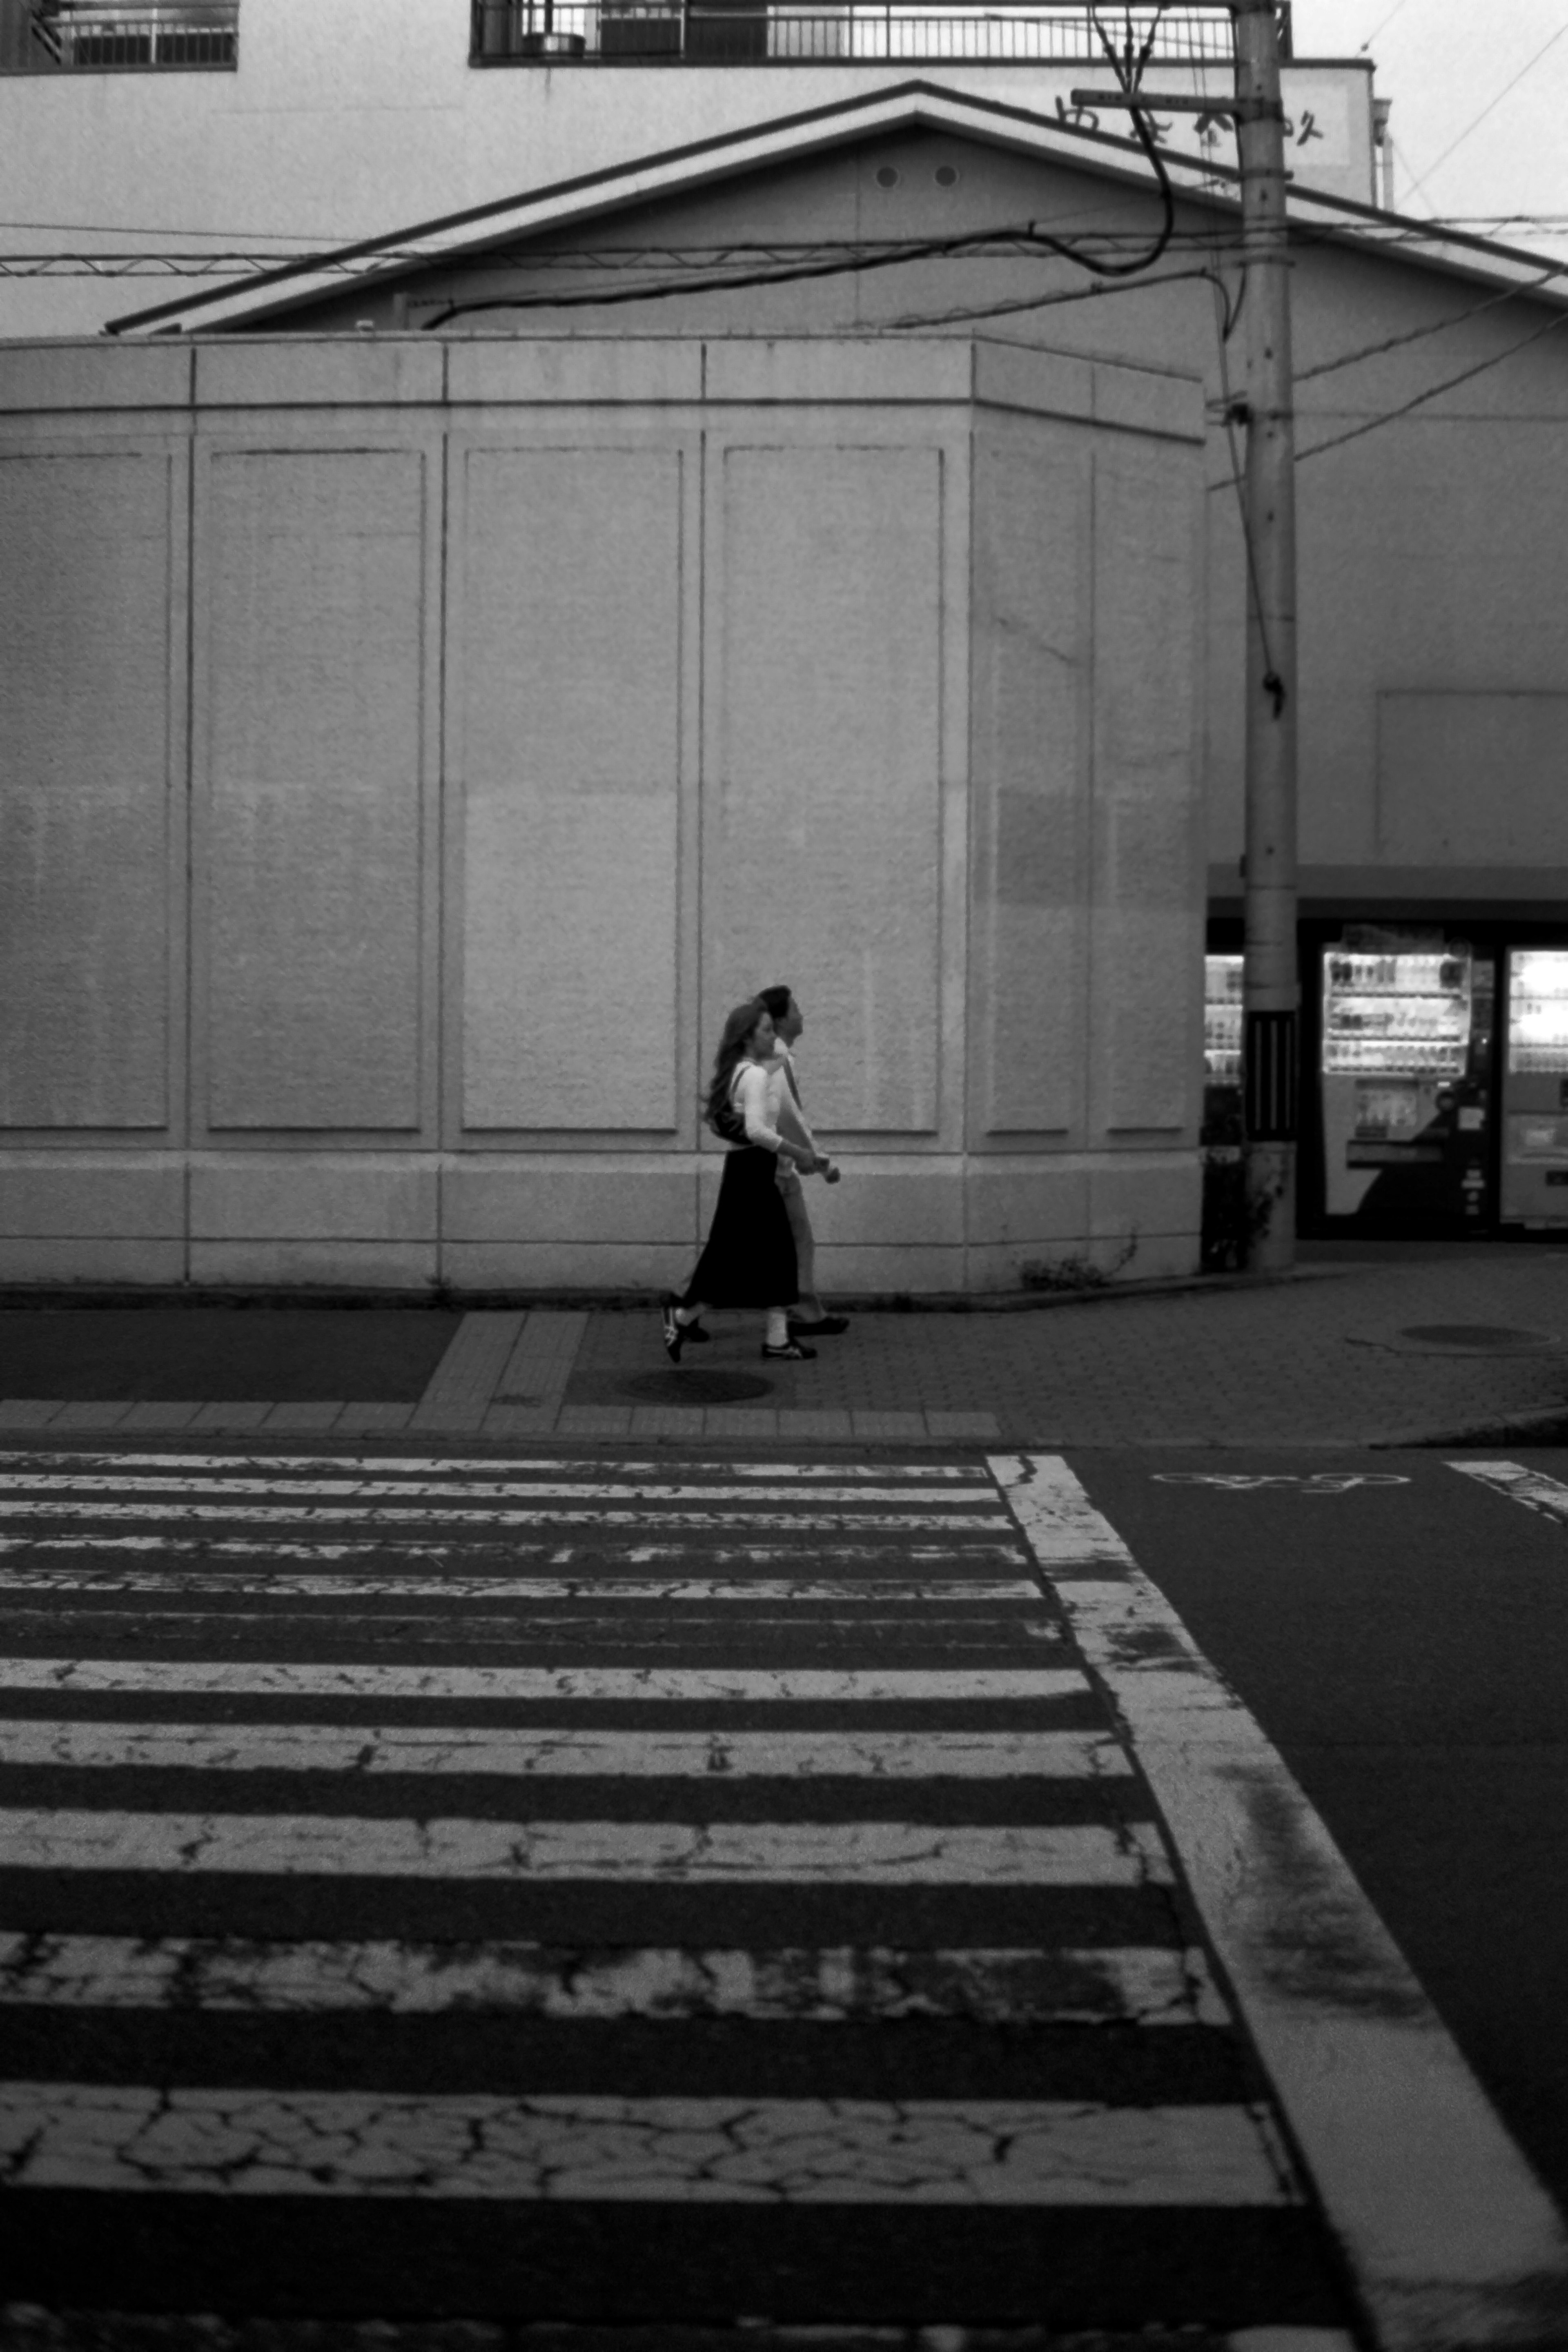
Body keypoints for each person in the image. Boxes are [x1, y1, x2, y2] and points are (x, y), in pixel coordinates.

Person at [663, 998, 826, 1363]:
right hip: (753, 1170)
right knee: (768, 1253)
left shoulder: (740, 1070)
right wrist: (799, 1154)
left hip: (744, 1169)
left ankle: (774, 1339)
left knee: (752, 1254)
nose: (774, 1036)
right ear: (749, 1037)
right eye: (767, 1030)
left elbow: (744, 1121)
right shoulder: (753, 1076)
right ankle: (684, 1318)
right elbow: (755, 1131)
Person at [757, 983, 849, 1342]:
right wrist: (821, 1163)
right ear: (780, 1020)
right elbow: (790, 1118)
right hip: (774, 1169)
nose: (801, 1014)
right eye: (795, 1008)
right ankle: (686, 1306)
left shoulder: (776, 1055)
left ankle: (807, 1311)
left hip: (778, 1167)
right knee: (746, 1247)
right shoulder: (779, 1060)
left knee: (796, 1240)